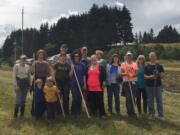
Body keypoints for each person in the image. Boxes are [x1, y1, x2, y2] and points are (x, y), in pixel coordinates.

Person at [144, 52, 165, 120]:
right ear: (149, 58)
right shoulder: (147, 66)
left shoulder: (159, 66)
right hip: (149, 86)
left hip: (158, 86)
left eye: (153, 56)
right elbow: (144, 76)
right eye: (151, 56)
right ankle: (151, 114)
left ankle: (161, 115)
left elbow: (162, 76)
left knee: (159, 100)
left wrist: (158, 73)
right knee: (150, 101)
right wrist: (151, 77)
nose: (152, 58)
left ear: (155, 57)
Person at [30, 49, 50, 116]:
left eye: (42, 54)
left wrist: (47, 82)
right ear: (37, 55)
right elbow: (32, 73)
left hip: (44, 80)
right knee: (35, 95)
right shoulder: (35, 63)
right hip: (36, 80)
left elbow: (48, 74)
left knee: (43, 96)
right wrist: (32, 66)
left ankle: (41, 111)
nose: (41, 56)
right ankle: (33, 112)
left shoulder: (46, 63)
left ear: (43, 55)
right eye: (39, 54)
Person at [69, 50, 86, 117]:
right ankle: (73, 112)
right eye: (75, 56)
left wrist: (84, 84)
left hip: (81, 83)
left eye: (78, 56)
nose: (76, 57)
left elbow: (84, 75)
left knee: (80, 97)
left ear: (79, 57)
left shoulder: (82, 65)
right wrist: (72, 70)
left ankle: (79, 112)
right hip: (73, 83)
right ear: (73, 57)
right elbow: (70, 76)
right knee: (75, 98)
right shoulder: (71, 65)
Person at [121, 51, 138, 117]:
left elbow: (136, 73)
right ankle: (129, 112)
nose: (129, 57)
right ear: (126, 57)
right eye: (128, 56)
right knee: (128, 97)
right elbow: (121, 74)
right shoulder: (123, 64)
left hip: (133, 82)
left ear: (131, 56)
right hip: (126, 82)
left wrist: (131, 76)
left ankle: (133, 111)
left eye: (130, 55)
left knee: (133, 97)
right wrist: (126, 74)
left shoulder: (134, 64)